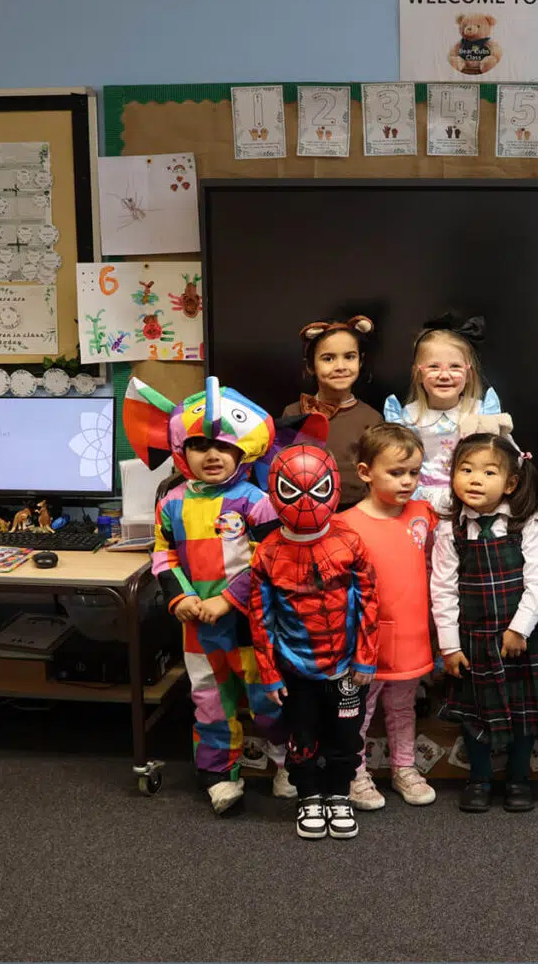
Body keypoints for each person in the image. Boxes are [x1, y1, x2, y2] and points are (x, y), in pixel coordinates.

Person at [123, 376, 294, 815]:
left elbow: (270, 557)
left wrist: (228, 599)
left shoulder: (258, 502)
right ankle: (220, 774)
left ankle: (287, 765)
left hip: (252, 626)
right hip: (198, 629)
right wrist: (180, 599)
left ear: (242, 450)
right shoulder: (172, 504)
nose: (212, 455)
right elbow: (163, 556)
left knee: (267, 701)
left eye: (222, 446)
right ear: (183, 451)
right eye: (199, 445)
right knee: (210, 702)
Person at [249, 434, 379, 841]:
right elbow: (260, 617)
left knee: (346, 737)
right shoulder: (268, 552)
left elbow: (370, 603)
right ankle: (308, 796)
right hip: (294, 669)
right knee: (300, 738)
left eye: (316, 489)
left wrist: (365, 657)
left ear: (332, 487)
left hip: (345, 668)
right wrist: (269, 673)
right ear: (276, 492)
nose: (305, 499)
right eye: (293, 490)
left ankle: (338, 794)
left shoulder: (350, 541)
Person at [431, 433, 538, 812]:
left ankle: (518, 778)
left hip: (519, 635)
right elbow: (442, 587)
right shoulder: (450, 527)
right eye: (466, 470)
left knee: (523, 714)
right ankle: (479, 778)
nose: (475, 479)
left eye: (489, 472)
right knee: (475, 714)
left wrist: (520, 628)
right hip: (473, 637)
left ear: (511, 483)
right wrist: (449, 646)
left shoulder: (526, 523)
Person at [340, 423, 439, 811]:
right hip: (367, 641)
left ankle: (403, 767)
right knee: (359, 710)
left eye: (413, 472)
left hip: (413, 635)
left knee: (403, 707)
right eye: (396, 473)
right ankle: (354, 771)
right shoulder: (346, 525)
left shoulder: (423, 514)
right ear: (365, 472)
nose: (407, 482)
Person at [384, 313, 511, 514]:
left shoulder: (480, 412)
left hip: (471, 500)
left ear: (469, 374)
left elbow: (501, 457)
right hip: (421, 502)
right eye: (433, 367)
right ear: (418, 373)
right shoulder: (409, 417)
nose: (445, 375)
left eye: (455, 367)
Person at [281, 315, 383, 510]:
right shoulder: (292, 413)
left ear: (360, 362)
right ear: (311, 366)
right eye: (328, 358)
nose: (340, 366)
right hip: (303, 510)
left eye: (349, 357)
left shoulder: (372, 418)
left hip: (356, 511)